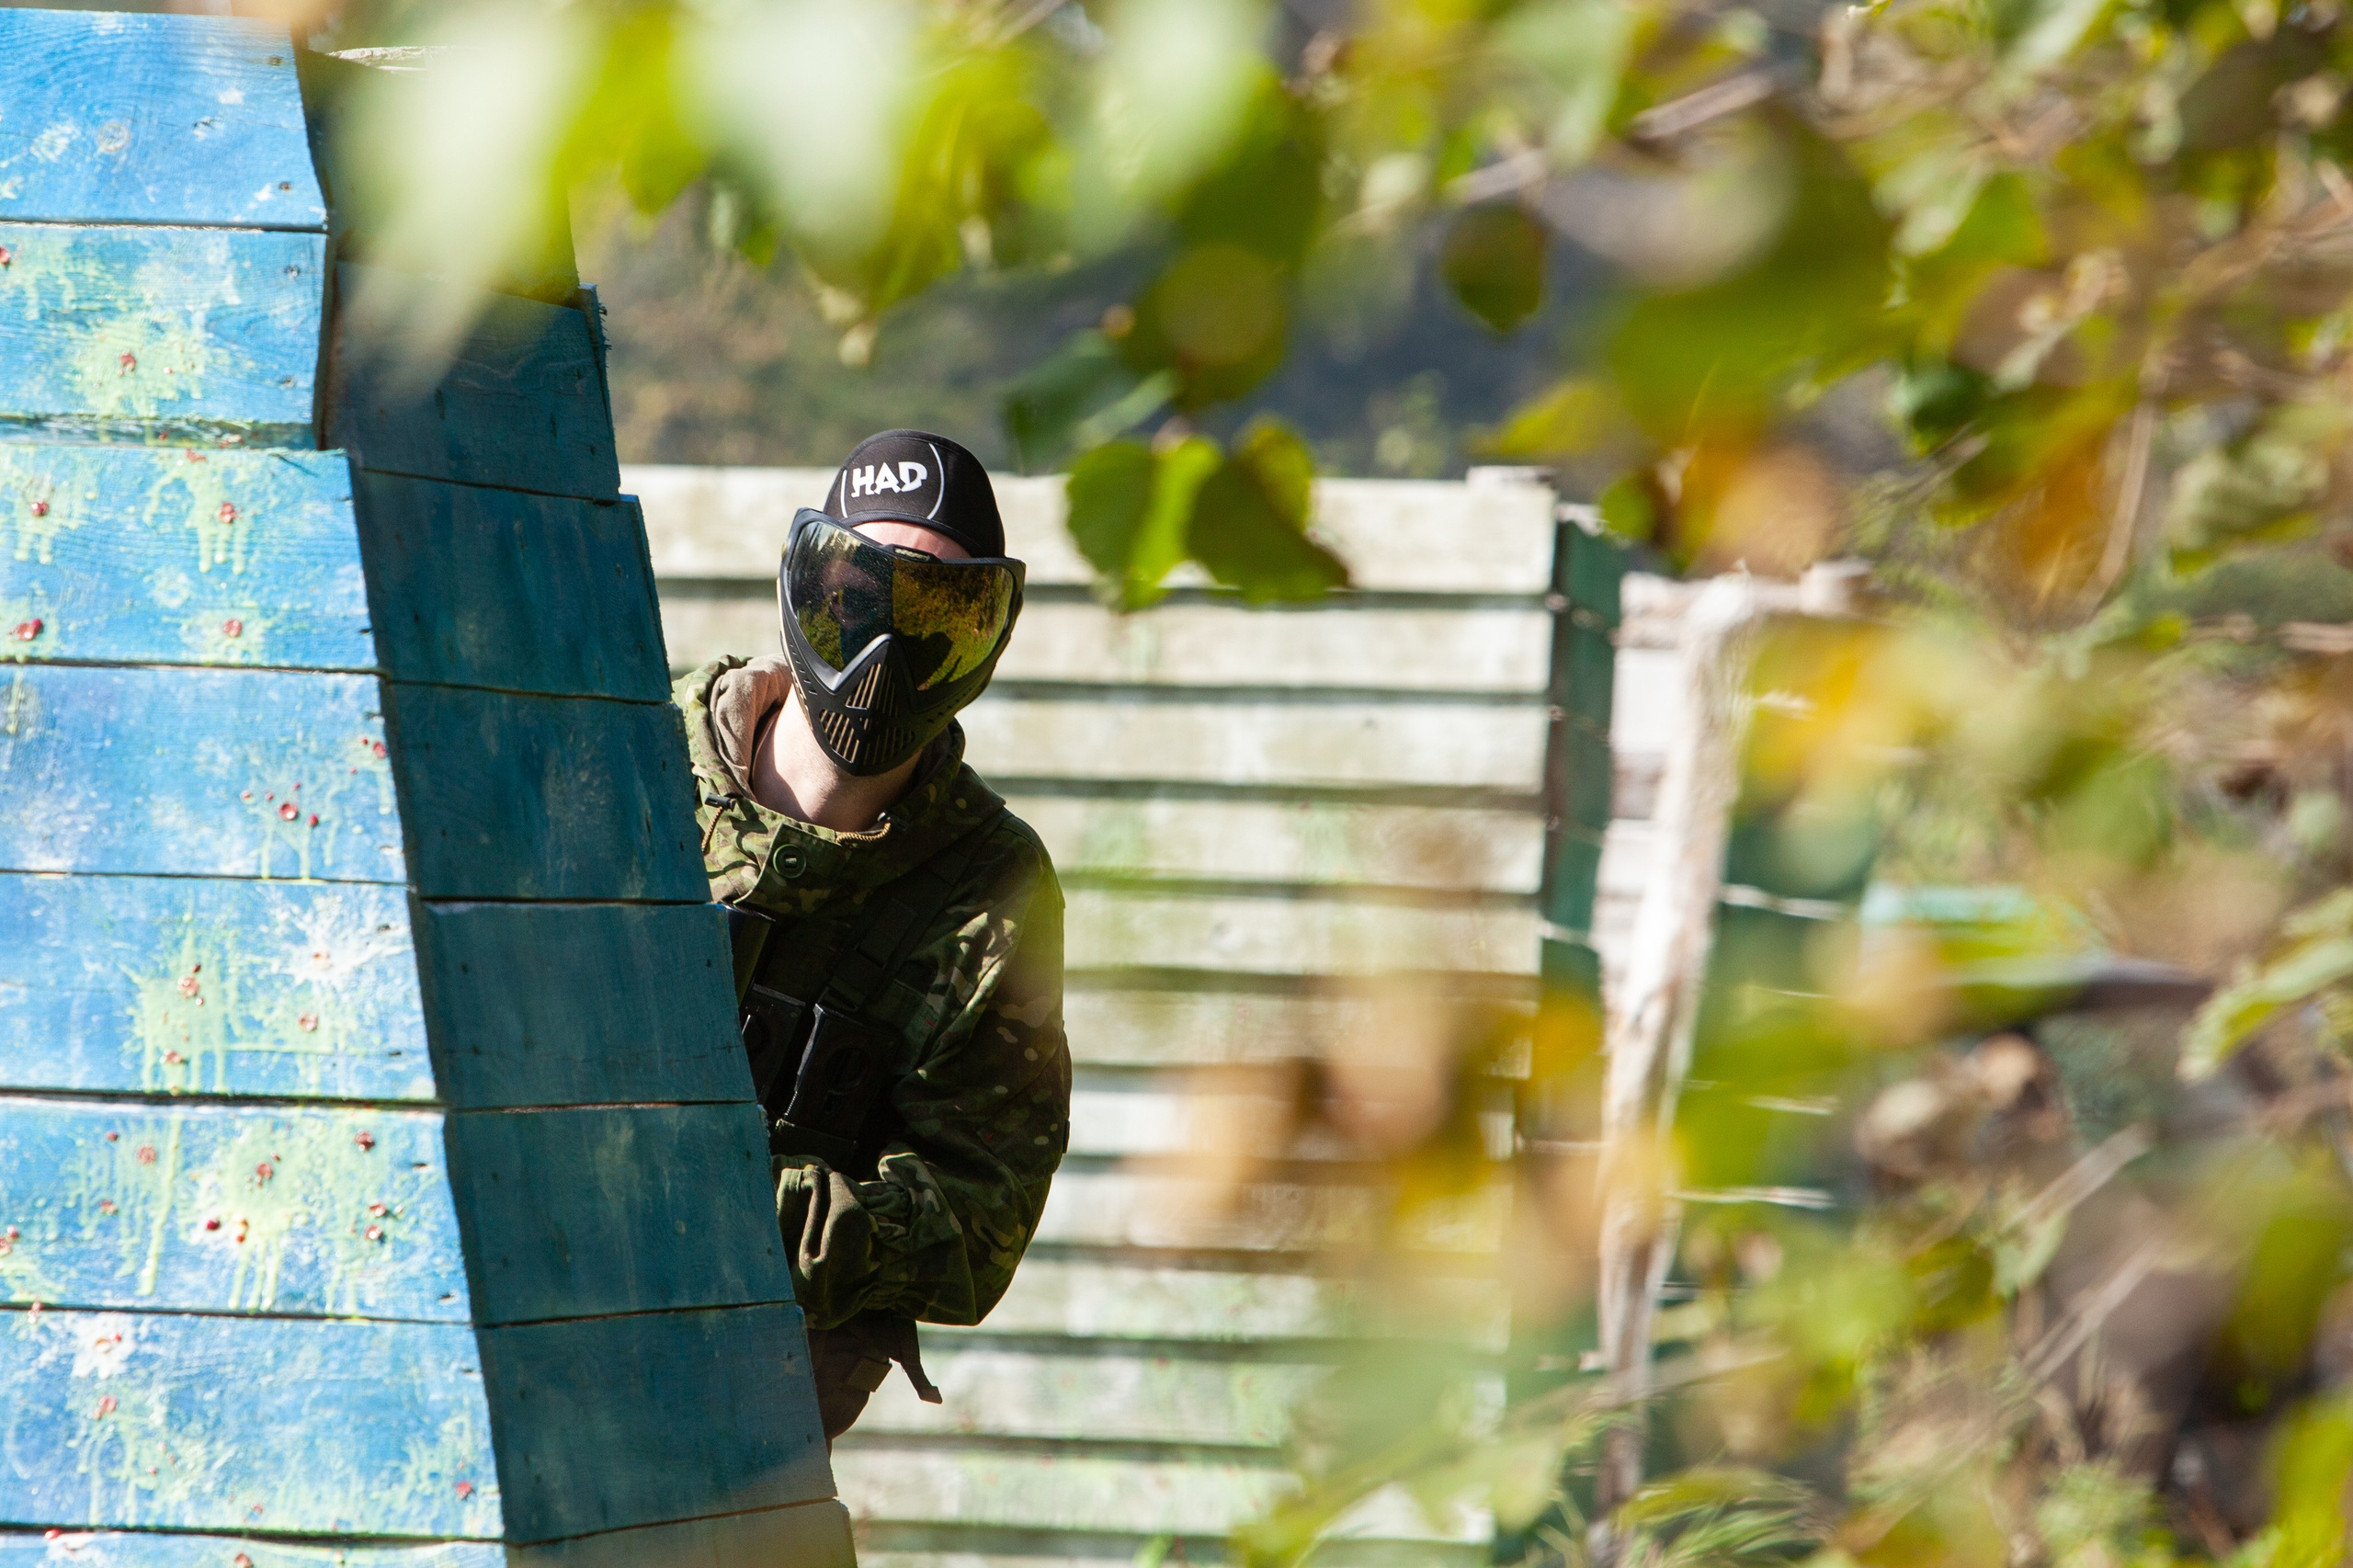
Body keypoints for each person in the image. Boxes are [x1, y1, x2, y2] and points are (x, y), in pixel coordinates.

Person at [675, 430, 1070, 1441]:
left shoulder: (990, 888)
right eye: (855, 601)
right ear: (802, 589)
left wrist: (707, 1203)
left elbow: (978, 1222)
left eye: (936, 619)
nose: (884, 650)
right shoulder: (629, 751)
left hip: (742, 1430)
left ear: (989, 637)